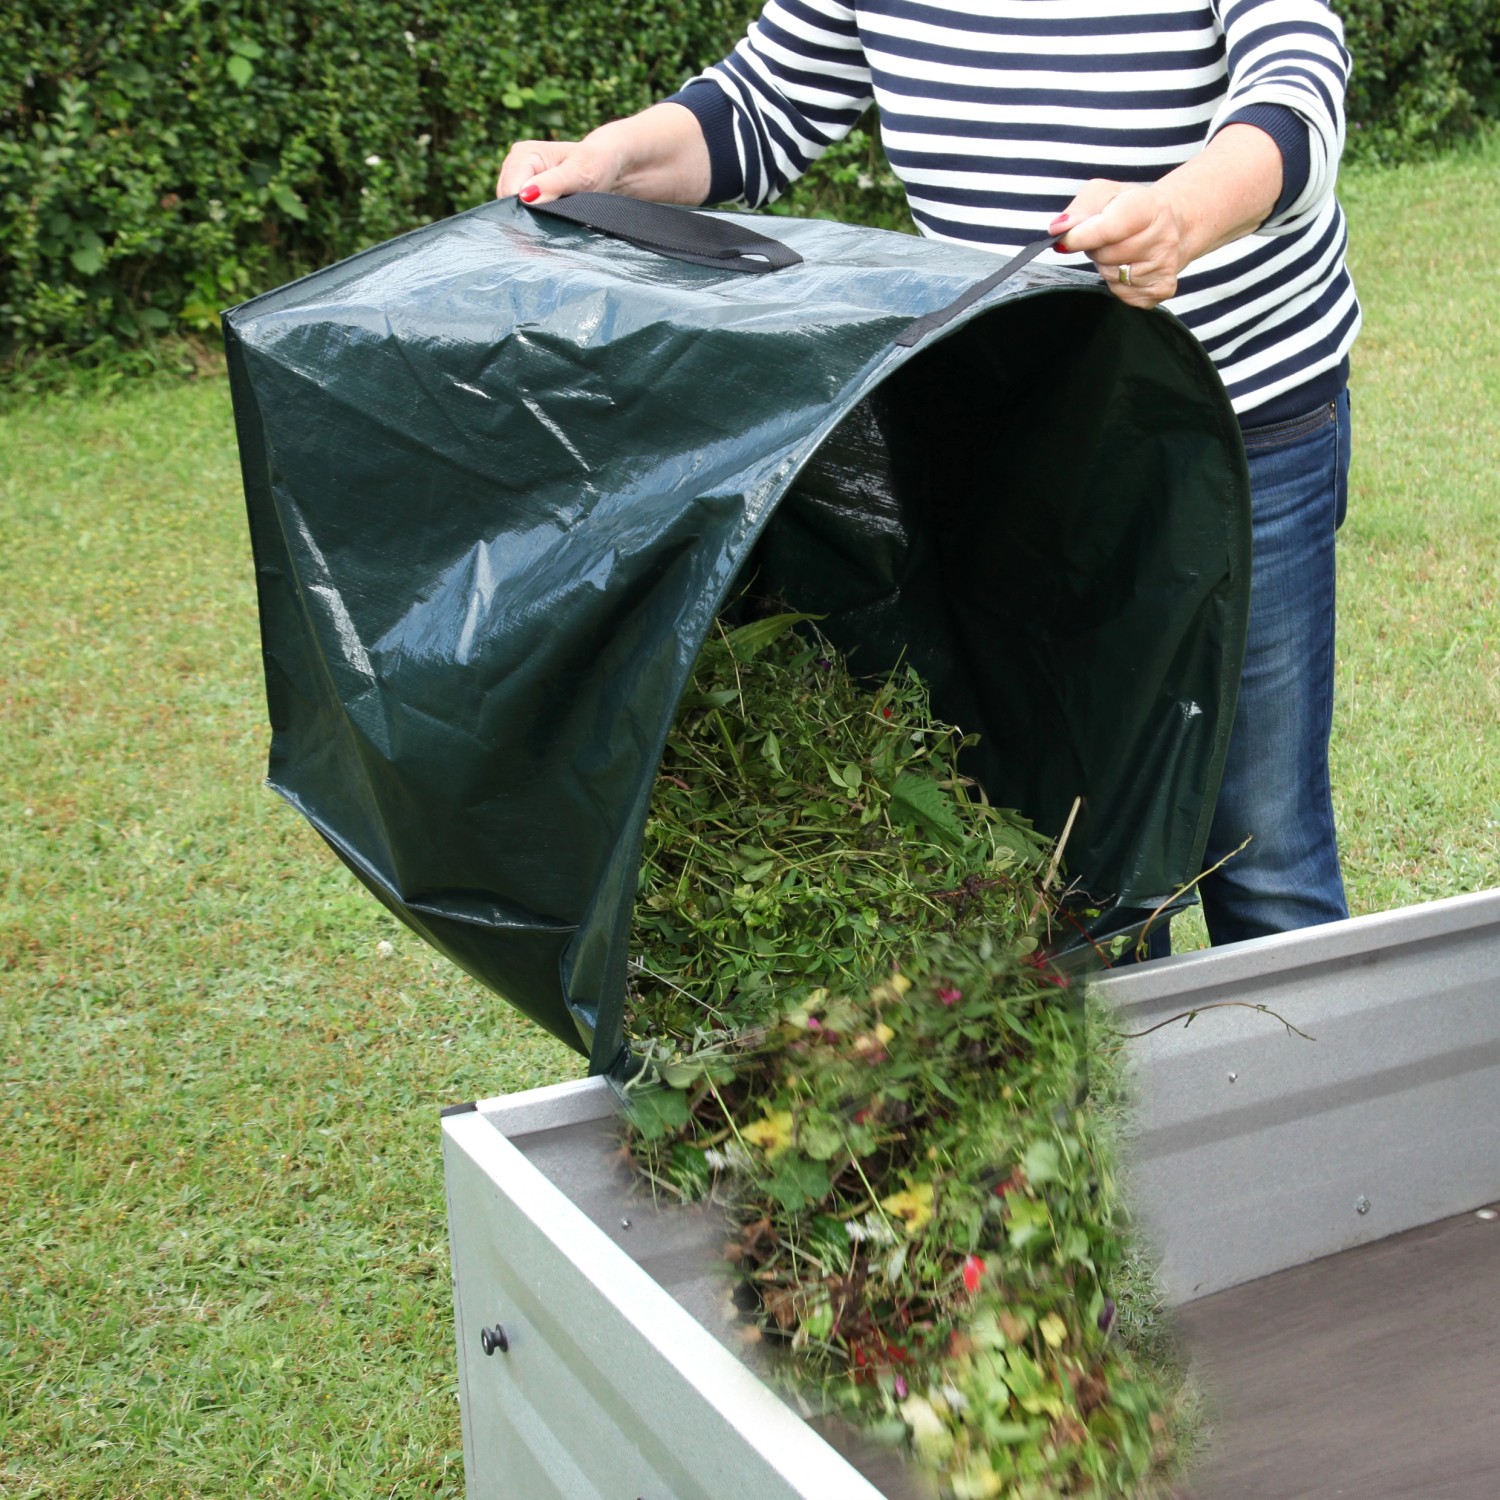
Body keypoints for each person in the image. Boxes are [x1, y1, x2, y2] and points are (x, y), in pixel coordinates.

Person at [497, 0, 1360, 949]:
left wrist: (1180, 212)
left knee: (1264, 853)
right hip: (1015, 440)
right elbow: (759, 105)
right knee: (1062, 852)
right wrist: (609, 159)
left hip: (1239, 430)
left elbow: (1297, 92)